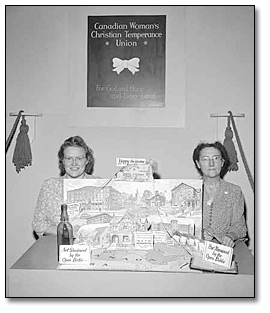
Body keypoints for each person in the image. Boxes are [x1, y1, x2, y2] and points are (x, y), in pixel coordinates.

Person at [32, 136, 97, 238]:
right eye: (69, 158)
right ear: (62, 161)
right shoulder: (49, 186)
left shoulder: (100, 185)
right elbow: (38, 224)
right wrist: (67, 232)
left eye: (79, 158)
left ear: (87, 160)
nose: (74, 163)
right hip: (56, 245)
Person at [192, 141, 247, 247]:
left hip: (224, 250)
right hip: (194, 247)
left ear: (222, 162)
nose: (211, 163)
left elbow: (240, 226)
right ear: (198, 164)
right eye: (205, 159)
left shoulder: (234, 191)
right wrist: (199, 233)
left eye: (216, 158)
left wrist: (231, 236)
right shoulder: (191, 190)